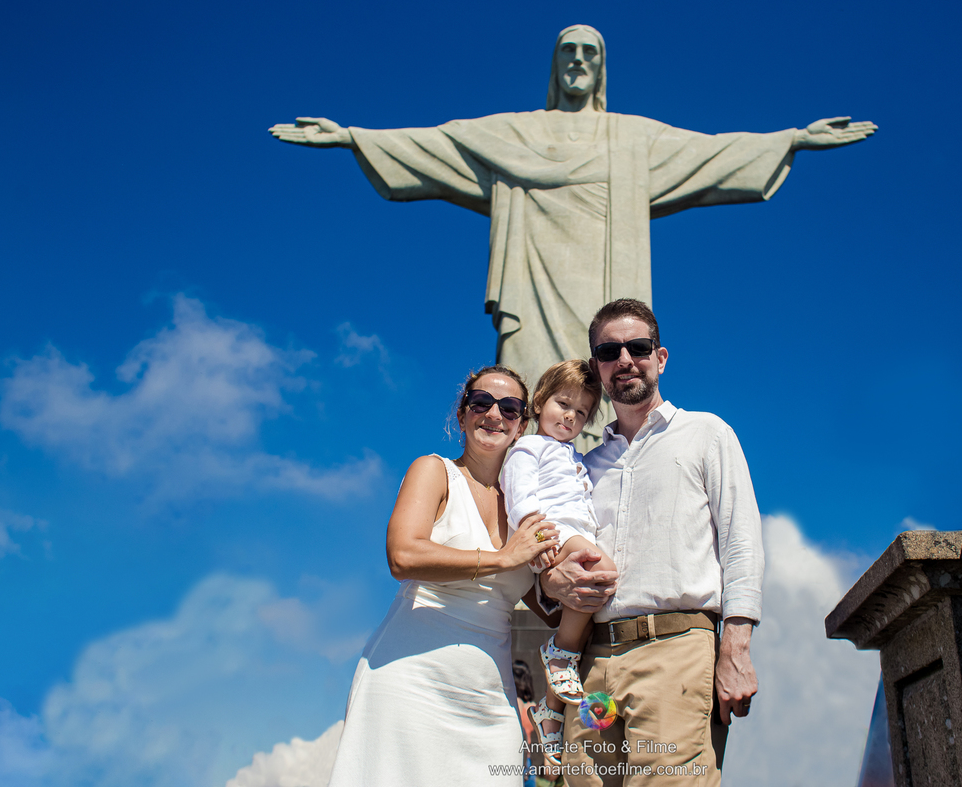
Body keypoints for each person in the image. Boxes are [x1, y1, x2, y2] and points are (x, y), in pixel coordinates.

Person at [268, 24, 876, 450]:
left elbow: (710, 154)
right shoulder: (516, 134)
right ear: (557, 69)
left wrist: (791, 139)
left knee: (612, 376)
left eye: (590, 52)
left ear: (601, 68)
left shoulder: (630, 138)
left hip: (607, 285)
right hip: (533, 287)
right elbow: (441, 144)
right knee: (533, 398)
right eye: (569, 53)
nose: (579, 61)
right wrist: (353, 137)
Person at [540, 299, 764, 786]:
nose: (624, 360)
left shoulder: (706, 433)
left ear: (660, 358)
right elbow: (554, 556)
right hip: (592, 669)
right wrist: (552, 581)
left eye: (637, 347)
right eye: (609, 350)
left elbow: (741, 544)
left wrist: (736, 648)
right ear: (597, 368)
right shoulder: (582, 467)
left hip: (677, 652)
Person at [326, 366, 560, 786]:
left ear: (522, 424)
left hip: (490, 701)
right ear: (462, 414)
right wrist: (503, 559)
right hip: (409, 683)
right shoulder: (434, 471)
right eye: (481, 402)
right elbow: (402, 555)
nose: (494, 414)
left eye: (509, 408)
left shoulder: (526, 508)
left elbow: (549, 609)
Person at [498, 360, 609, 765]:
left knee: (586, 607)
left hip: (577, 532)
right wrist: (536, 534)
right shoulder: (528, 447)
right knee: (604, 573)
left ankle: (550, 709)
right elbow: (519, 492)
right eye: (563, 404)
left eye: (581, 412)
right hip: (557, 533)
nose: (570, 416)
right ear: (540, 402)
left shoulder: (572, 455)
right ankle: (559, 653)